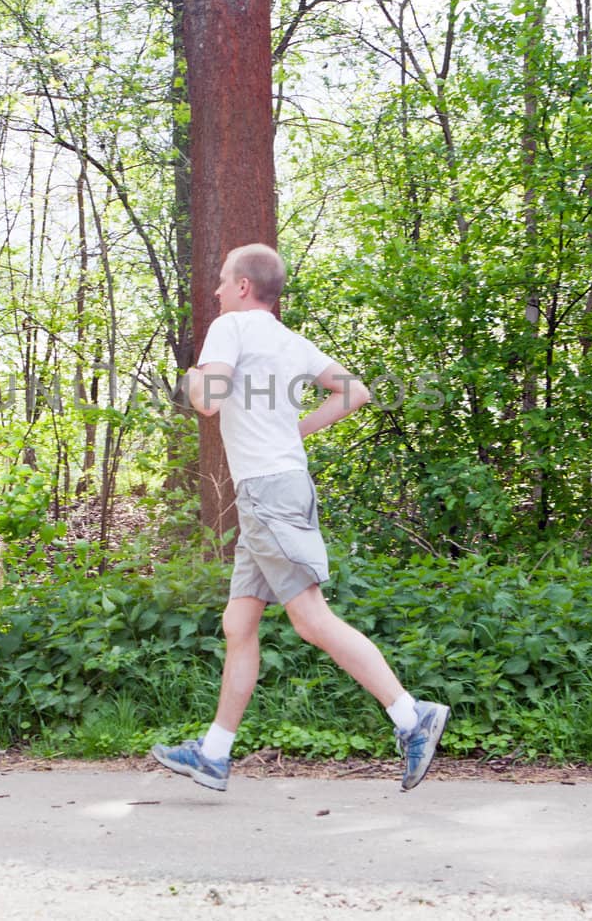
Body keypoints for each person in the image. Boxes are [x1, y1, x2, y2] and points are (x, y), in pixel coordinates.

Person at [152, 243, 448, 792]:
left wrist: (191, 376)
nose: (215, 290)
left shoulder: (232, 328)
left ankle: (413, 718)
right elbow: (354, 392)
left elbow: (208, 400)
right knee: (239, 624)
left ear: (243, 287)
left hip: (268, 492)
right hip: (277, 488)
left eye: (222, 280)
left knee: (310, 619)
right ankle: (214, 754)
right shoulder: (291, 342)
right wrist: (297, 432)